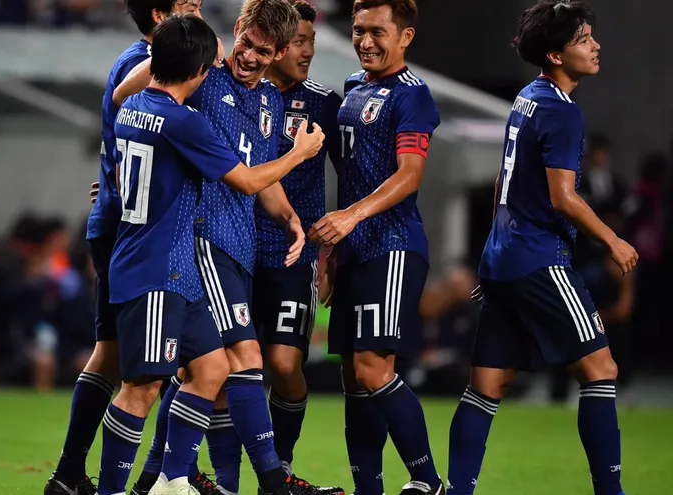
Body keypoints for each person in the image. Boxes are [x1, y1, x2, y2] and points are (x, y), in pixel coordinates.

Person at [94, 13, 325, 495]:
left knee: (208, 369)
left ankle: (166, 478)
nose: (249, 56)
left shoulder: (260, 101)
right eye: (245, 43)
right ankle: (268, 480)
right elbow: (245, 178)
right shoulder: (194, 101)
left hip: (206, 251)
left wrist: (288, 216)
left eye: (263, 51)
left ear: (279, 54)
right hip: (181, 250)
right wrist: (300, 153)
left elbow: (258, 171)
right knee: (173, 377)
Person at [445, 2, 636, 495]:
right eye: (583, 39)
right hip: (539, 258)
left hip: (504, 258)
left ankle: (457, 490)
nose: (595, 46)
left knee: (486, 385)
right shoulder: (562, 110)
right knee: (601, 369)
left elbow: (502, 184)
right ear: (555, 54)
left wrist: (493, 254)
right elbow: (563, 197)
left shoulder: (527, 97)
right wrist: (613, 239)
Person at [45, 0, 205, 493]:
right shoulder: (146, 64)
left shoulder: (136, 60)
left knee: (117, 357)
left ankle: (74, 473)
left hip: (120, 221)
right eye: (186, 3)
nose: (197, 8)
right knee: (151, 371)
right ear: (159, 14)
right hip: (137, 232)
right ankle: (158, 476)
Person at [307, 0, 443, 493]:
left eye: (377, 31)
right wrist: (334, 250)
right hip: (355, 250)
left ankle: (428, 481)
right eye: (359, 30)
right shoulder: (352, 88)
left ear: (405, 36)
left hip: (393, 245)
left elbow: (410, 176)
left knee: (372, 369)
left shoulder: (414, 95)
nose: (365, 41)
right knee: (353, 375)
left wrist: (350, 217)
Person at [256, 0, 343, 485]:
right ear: (274, 45)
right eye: (298, 42)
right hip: (238, 250)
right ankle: (213, 473)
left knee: (284, 362)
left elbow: (351, 180)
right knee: (224, 367)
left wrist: (334, 249)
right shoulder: (242, 95)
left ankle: (282, 465)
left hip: (296, 254)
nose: (307, 51)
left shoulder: (325, 104)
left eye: (311, 41)